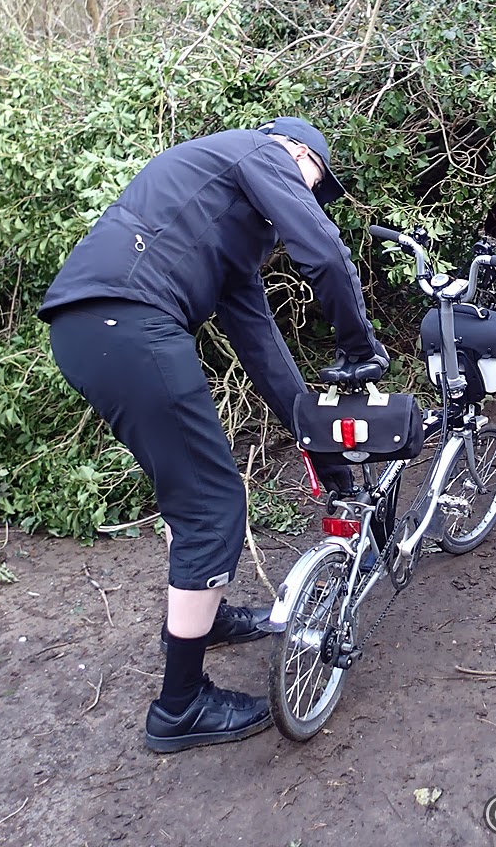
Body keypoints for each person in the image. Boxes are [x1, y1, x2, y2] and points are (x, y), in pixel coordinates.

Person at [38, 117, 388, 752]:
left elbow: (270, 363)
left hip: (94, 330)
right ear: (299, 153)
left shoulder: (226, 241)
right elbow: (325, 252)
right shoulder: (260, 151)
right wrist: (359, 348)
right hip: (128, 320)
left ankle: (209, 618)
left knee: (190, 493)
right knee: (211, 505)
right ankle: (180, 707)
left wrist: (333, 468)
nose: (308, 197)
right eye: (314, 183)